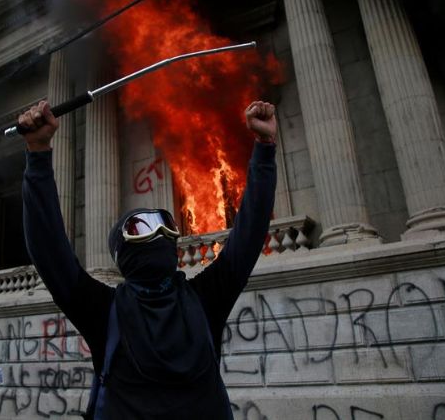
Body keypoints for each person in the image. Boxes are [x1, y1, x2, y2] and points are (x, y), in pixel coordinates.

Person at [19, 99, 277, 419]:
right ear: (121, 252)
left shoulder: (206, 298)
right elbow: (49, 249)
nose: (158, 234)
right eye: (140, 227)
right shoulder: (103, 310)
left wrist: (265, 147)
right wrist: (37, 152)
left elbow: (250, 233)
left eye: (166, 224)